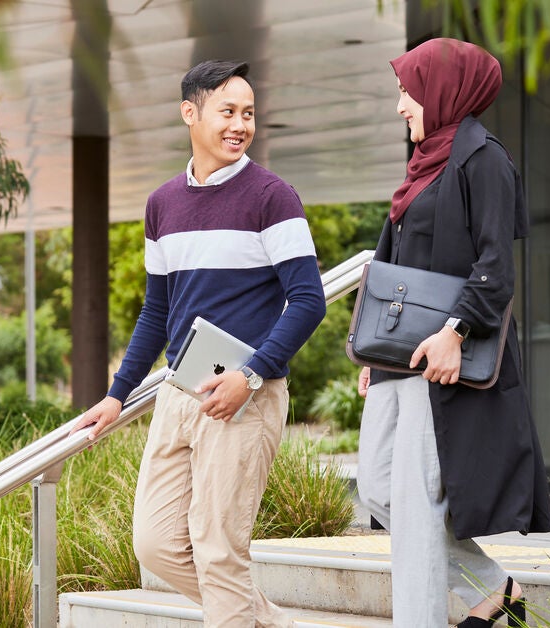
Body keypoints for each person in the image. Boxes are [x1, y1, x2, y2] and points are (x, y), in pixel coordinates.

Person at [72, 60, 327, 628]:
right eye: (228, 111)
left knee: (218, 552)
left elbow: (309, 301)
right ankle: (273, 621)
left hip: (245, 396)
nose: (240, 124)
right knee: (157, 544)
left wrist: (251, 374)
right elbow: (157, 312)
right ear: (190, 113)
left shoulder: (272, 197)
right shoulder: (162, 204)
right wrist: (118, 394)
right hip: (177, 392)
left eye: (249, 114)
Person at [354, 38, 550, 627]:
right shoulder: (425, 163)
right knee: (378, 489)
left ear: (443, 90)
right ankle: (496, 588)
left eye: (407, 92)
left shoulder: (484, 159)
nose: (401, 107)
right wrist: (373, 346)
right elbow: (397, 271)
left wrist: (456, 331)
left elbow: (495, 266)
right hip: (399, 354)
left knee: (417, 510)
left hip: (441, 356)